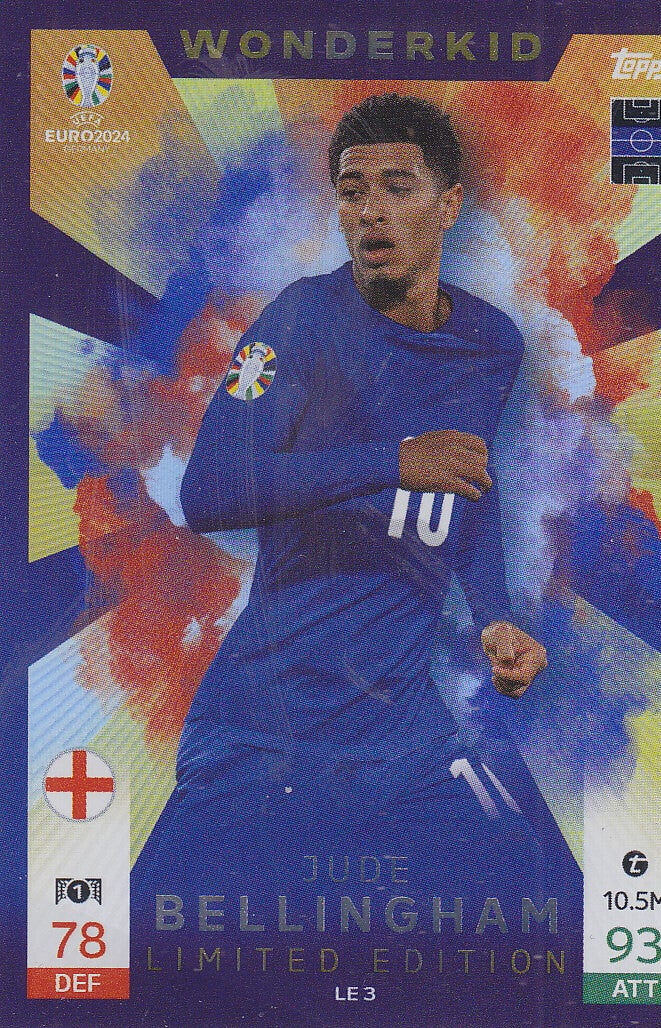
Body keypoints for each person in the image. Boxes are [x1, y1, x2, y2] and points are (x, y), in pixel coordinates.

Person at [134, 95, 570, 927]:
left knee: (529, 896)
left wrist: (495, 616)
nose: (371, 209)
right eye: (352, 189)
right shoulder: (300, 322)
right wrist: (391, 460)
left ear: (449, 205)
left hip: (403, 737)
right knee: (156, 946)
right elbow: (209, 491)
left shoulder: (491, 344)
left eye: (398, 187)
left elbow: (468, 480)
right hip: (266, 731)